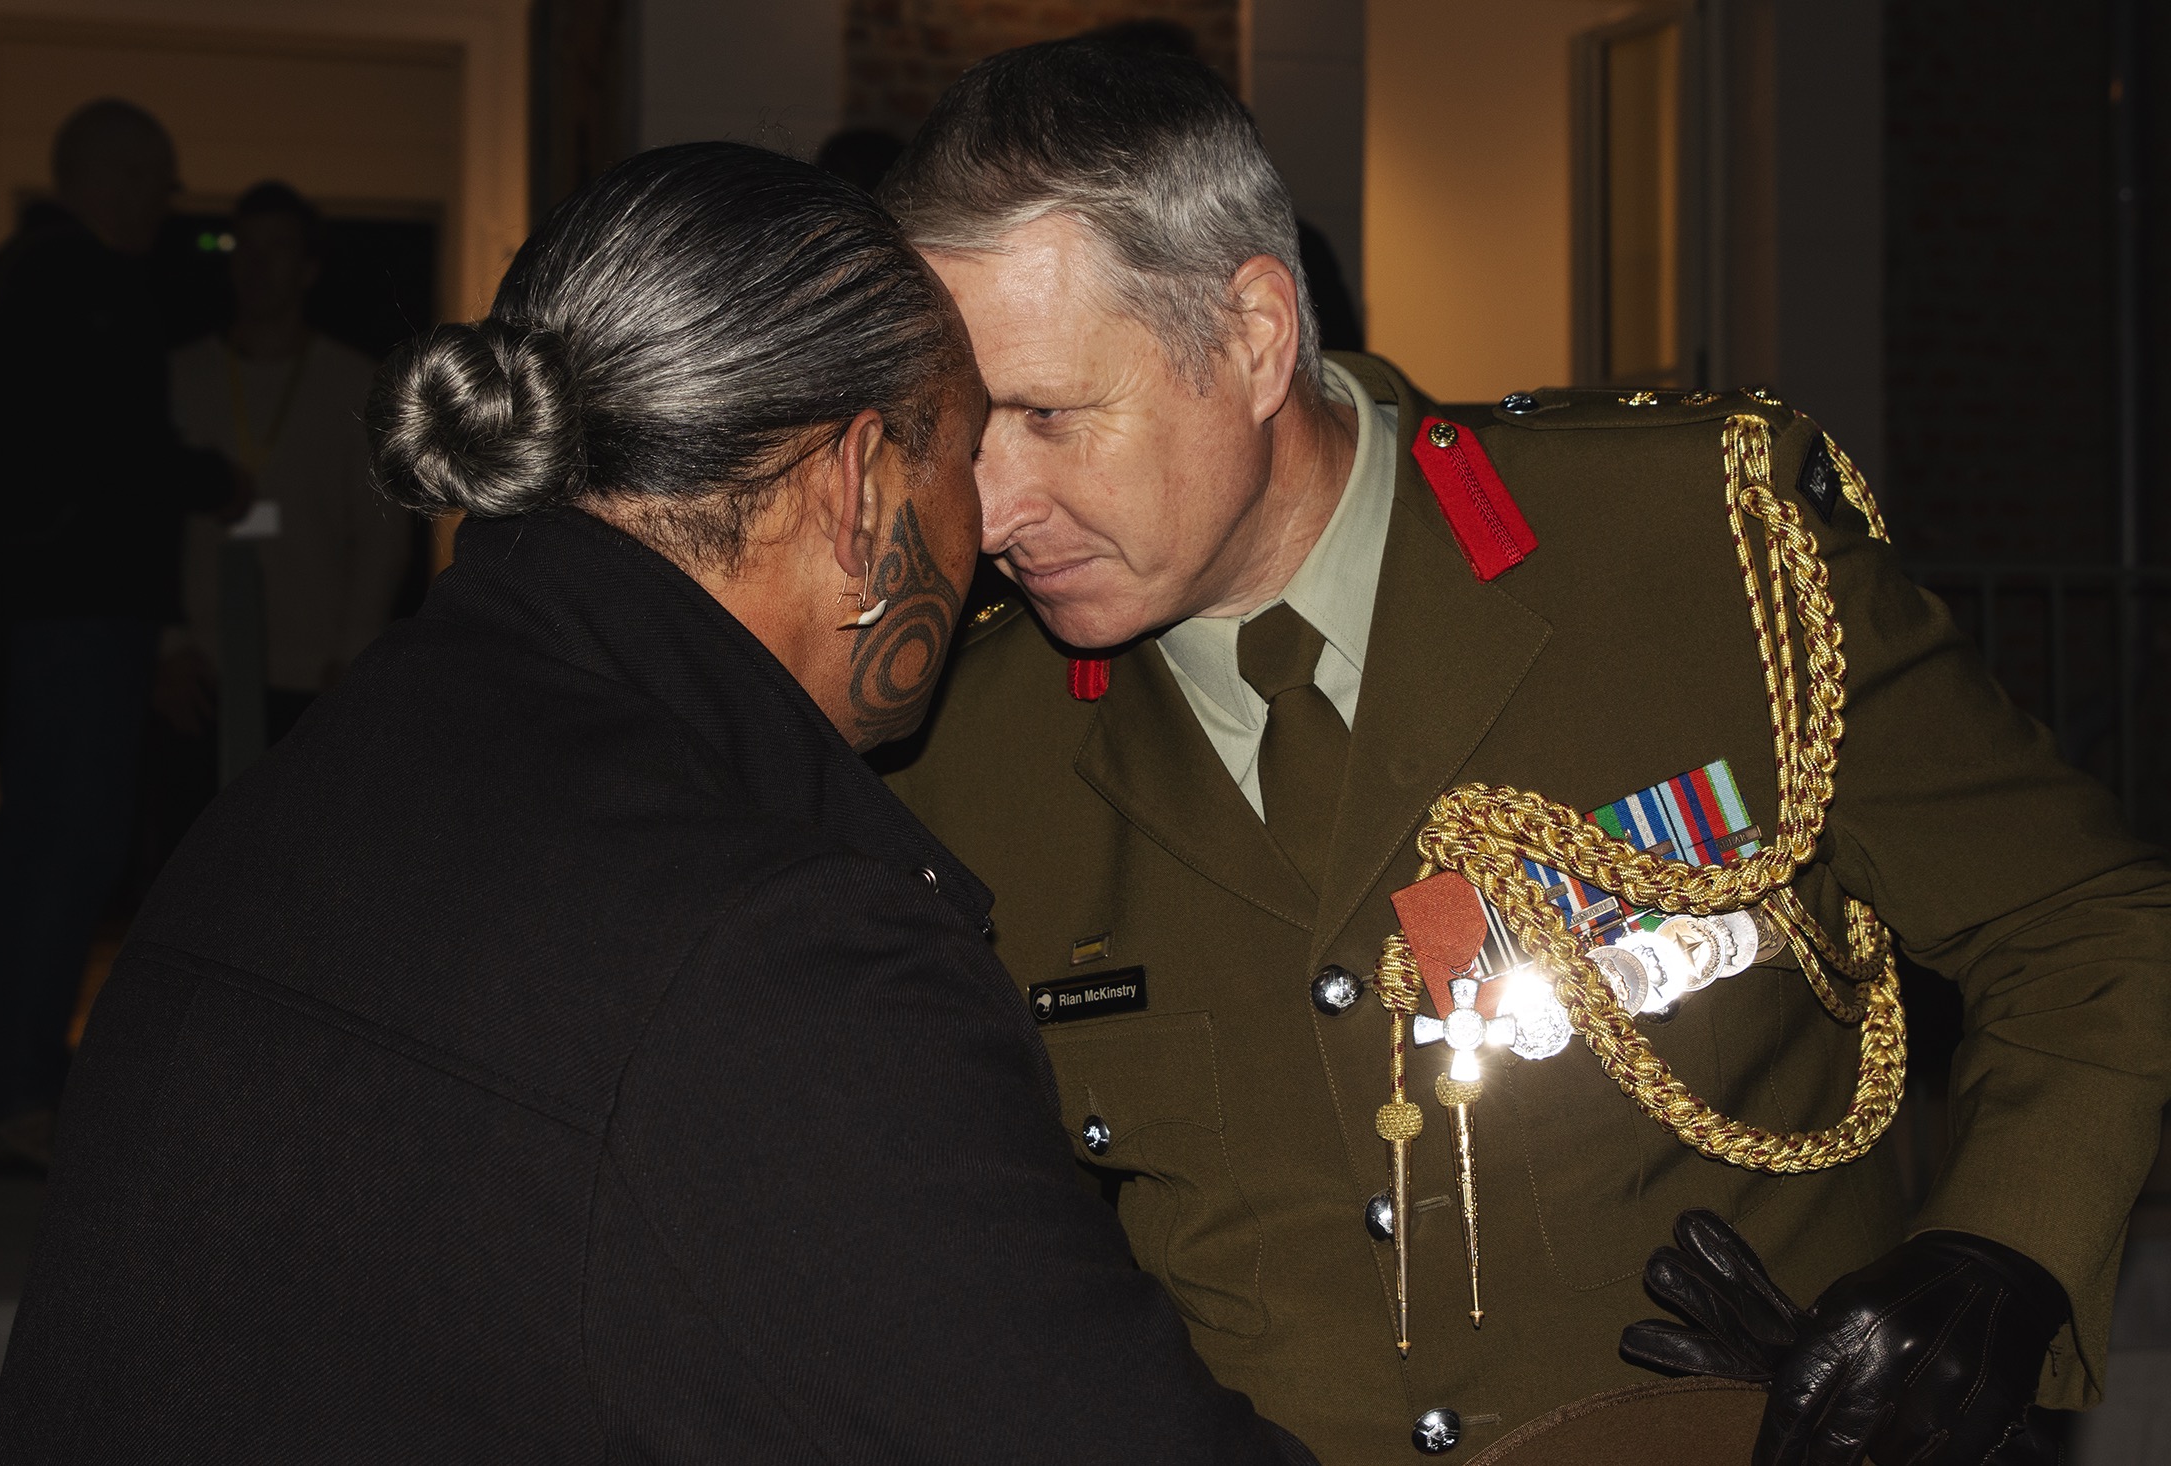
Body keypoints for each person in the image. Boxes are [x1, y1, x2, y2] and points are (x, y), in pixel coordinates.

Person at [879, 41, 2171, 1464]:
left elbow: (2085, 923)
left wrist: (1999, 1252)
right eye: (951, 431)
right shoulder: (964, 753)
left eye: (1048, 415)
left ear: (1252, 337)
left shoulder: (1692, 561)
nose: (991, 507)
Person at [0, 141, 1315, 1465]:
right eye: (963, 454)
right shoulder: (776, 955)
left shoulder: (317, 777)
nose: (993, 532)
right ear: (857, 485)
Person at [0, 99, 248, 1170]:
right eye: (158, 183)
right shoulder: (83, 287)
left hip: (43, 609)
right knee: (64, 842)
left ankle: (16, 1073)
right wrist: (207, 477)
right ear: (115, 180)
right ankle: (22, 1084)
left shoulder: (19, 278)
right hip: (76, 612)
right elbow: (107, 452)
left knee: (45, 840)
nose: (164, 208)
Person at [159, 180, 410, 749]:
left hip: (314, 674)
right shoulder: (181, 375)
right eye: (244, 245)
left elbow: (381, 530)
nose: (257, 264)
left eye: (277, 248)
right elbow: (143, 521)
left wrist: (353, 653)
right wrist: (167, 645)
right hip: (201, 671)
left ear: (308, 269)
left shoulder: (354, 382)